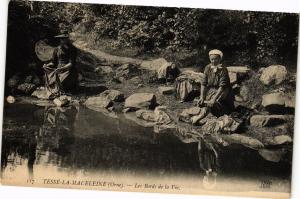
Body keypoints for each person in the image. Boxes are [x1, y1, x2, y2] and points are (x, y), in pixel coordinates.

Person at [191, 49, 234, 124]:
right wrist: (201, 96)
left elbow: (222, 86)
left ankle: (204, 115)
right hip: (211, 89)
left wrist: (214, 99)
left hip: (223, 90)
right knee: (202, 102)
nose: (213, 61)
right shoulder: (207, 68)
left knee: (215, 103)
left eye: (216, 59)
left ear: (220, 59)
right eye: (212, 59)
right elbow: (203, 83)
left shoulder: (223, 69)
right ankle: (204, 113)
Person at [43, 31, 78, 99]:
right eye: (61, 39)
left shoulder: (72, 49)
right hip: (58, 70)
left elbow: (71, 63)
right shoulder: (56, 49)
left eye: (64, 38)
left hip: (68, 70)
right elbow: (53, 62)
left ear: (67, 39)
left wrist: (62, 68)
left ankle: (67, 88)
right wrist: (47, 65)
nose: (62, 40)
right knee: (50, 80)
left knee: (61, 82)